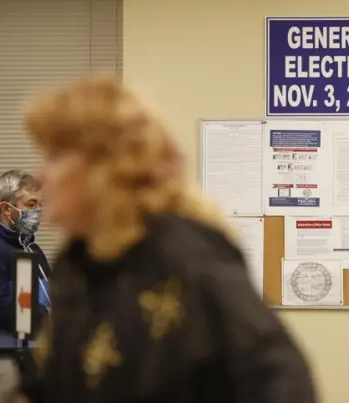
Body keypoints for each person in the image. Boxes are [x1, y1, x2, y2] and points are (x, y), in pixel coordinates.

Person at [17, 75, 316, 403]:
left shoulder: (189, 256)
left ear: (105, 166)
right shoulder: (77, 263)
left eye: (55, 156)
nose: (41, 174)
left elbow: (280, 377)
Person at [0, 170, 50, 348]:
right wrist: (45, 316)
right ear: (7, 209)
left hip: (32, 356)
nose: (38, 211)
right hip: (2, 359)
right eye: (31, 204)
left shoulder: (32, 248)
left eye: (40, 205)